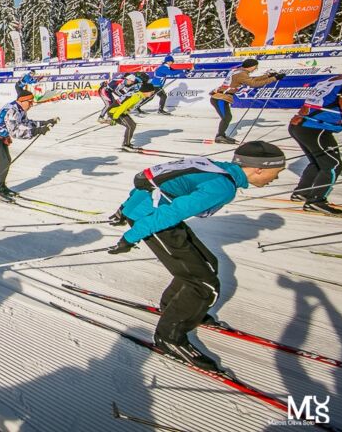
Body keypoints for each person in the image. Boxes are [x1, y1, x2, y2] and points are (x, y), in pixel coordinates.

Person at [107, 142, 286, 371]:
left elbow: (156, 177)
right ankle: (170, 337)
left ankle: (175, 307)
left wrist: (124, 208)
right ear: (258, 168)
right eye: (276, 172)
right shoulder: (223, 186)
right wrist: (130, 237)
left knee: (208, 265)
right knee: (203, 283)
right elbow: (171, 211)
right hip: (152, 220)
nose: (276, 178)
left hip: (148, 213)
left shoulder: (217, 168)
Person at [287, 63, 342, 215]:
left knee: (319, 162)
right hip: (315, 128)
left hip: (302, 125)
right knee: (334, 164)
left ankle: (302, 192)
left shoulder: (336, 80)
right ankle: (316, 201)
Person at [0, 88, 57, 202]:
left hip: (0, 137)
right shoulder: (12, 111)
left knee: (6, 161)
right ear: (22, 101)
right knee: (3, 162)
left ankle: (1, 187)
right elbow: (15, 133)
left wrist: (44, 123)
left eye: (32, 102)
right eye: (30, 102)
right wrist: (37, 131)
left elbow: (26, 122)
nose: (31, 105)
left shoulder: (20, 109)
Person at [210, 59, 283, 144]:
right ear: (251, 66)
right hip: (220, 98)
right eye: (255, 67)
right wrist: (274, 78)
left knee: (227, 117)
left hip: (221, 97)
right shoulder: (241, 74)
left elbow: (251, 80)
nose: (255, 69)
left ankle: (221, 135)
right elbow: (253, 84)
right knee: (227, 117)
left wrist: (267, 76)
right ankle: (220, 136)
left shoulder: (239, 71)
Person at [108, 82, 156, 151]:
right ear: (146, 91)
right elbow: (124, 106)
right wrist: (114, 118)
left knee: (132, 125)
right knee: (130, 126)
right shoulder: (137, 97)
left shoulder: (139, 95)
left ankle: (127, 143)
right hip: (115, 112)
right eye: (152, 92)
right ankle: (126, 145)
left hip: (120, 112)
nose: (152, 93)